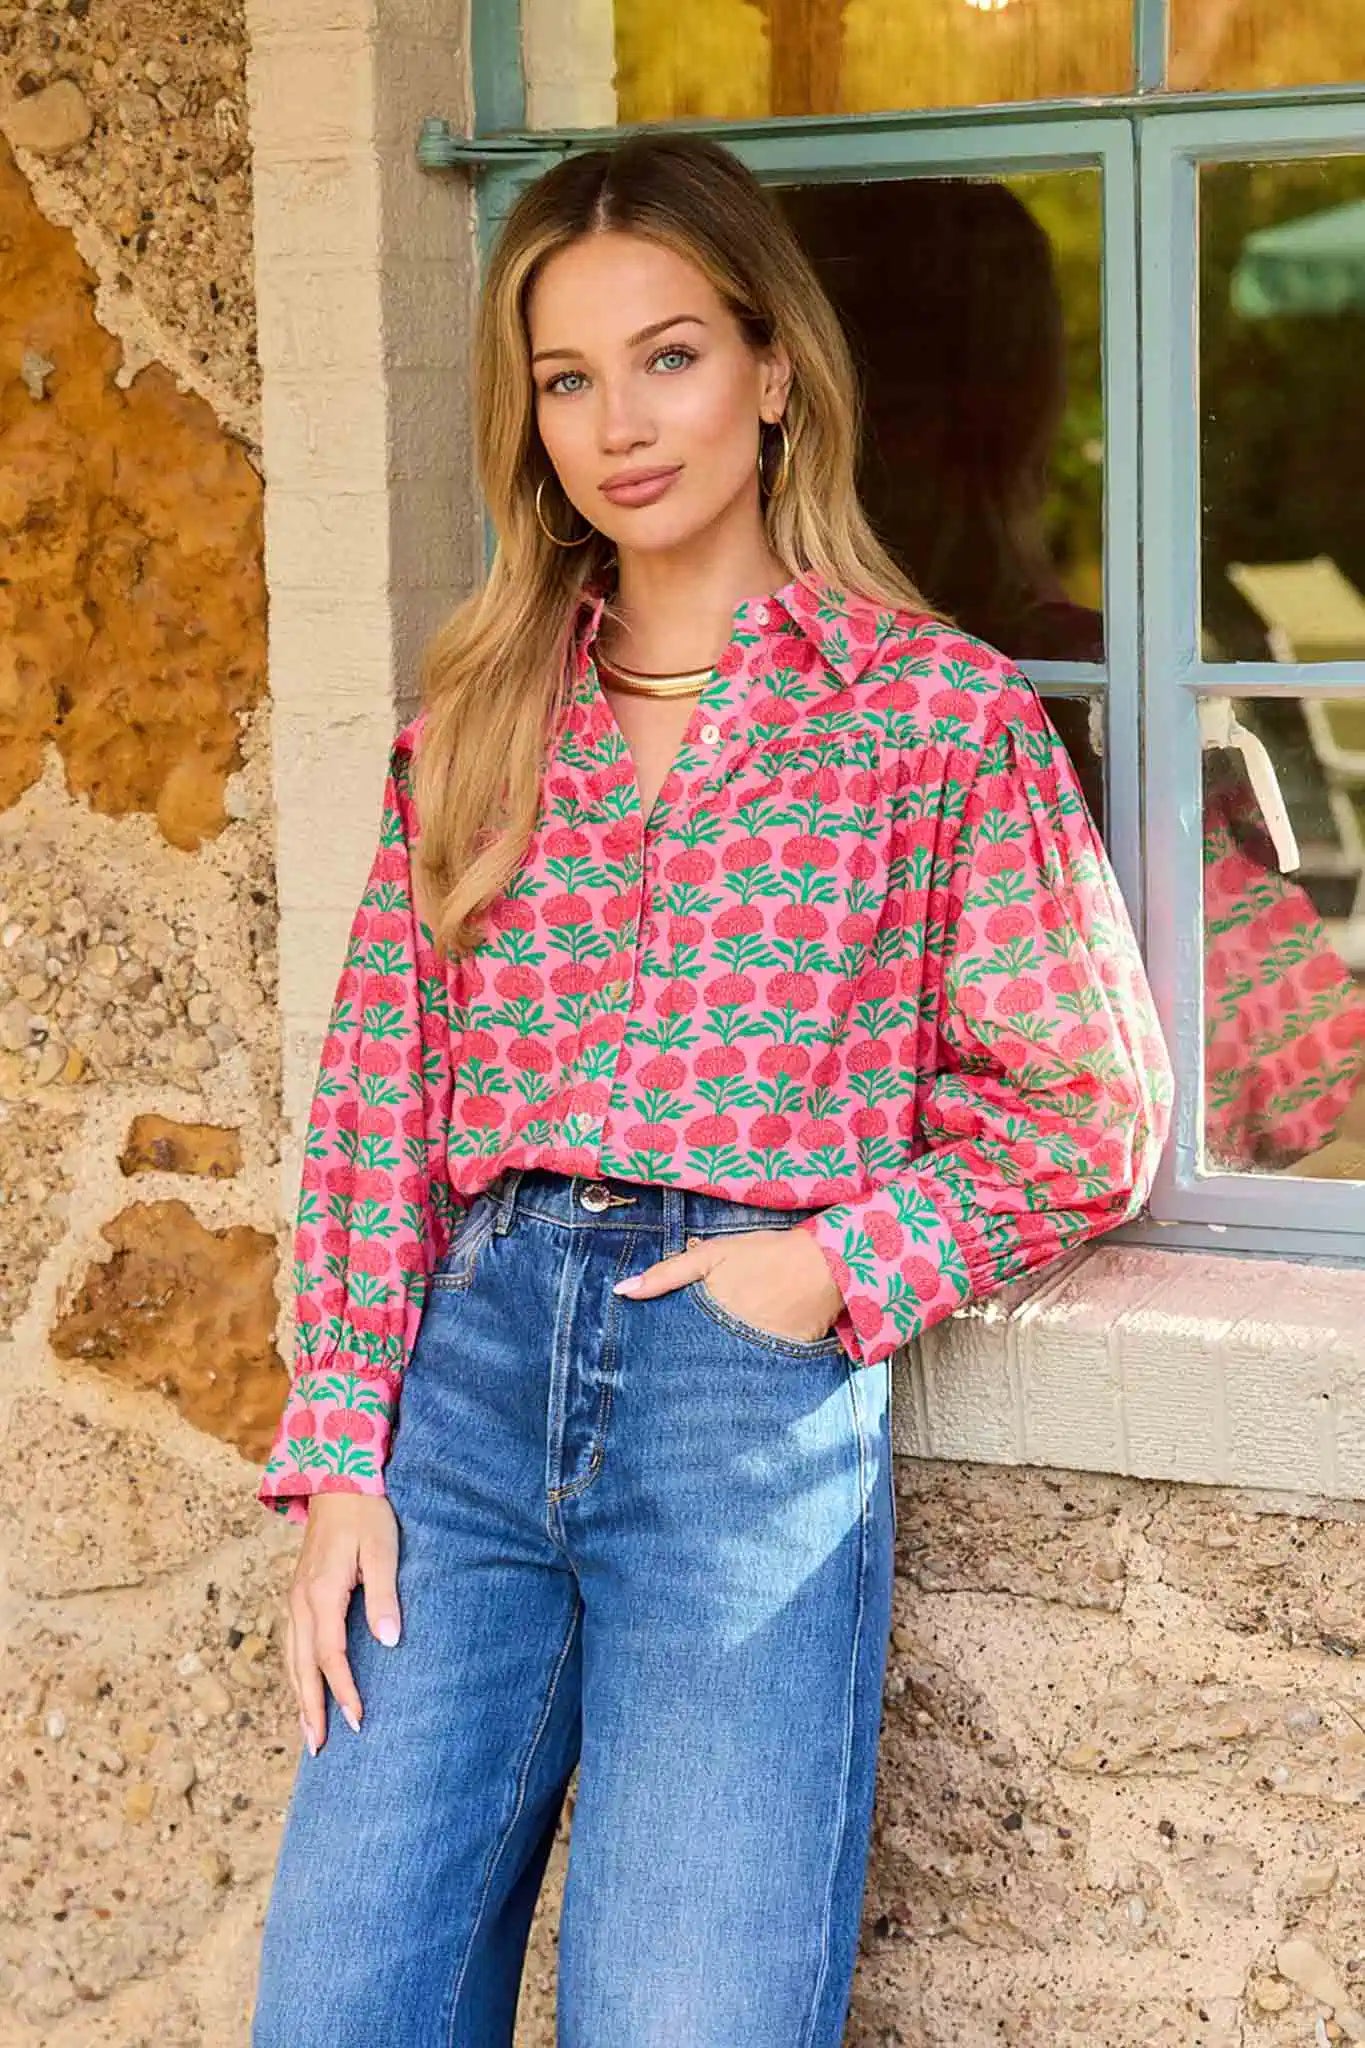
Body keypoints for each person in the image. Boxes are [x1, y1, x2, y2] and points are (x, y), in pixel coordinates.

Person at [250, 132, 1171, 2048]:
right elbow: (374, 1113)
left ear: (772, 367)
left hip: (735, 1396)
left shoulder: (931, 717)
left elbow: (1089, 1105)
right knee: (341, 2003)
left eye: (668, 356)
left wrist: (833, 1266)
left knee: (692, 2018)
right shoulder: (477, 719)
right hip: (465, 1396)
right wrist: (345, 1443)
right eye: (567, 379)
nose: (619, 423)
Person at [780, 173, 1365, 1179]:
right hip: (1088, 1186)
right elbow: (1276, 1078)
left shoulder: (708, 686)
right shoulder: (1080, 676)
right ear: (1023, 398)